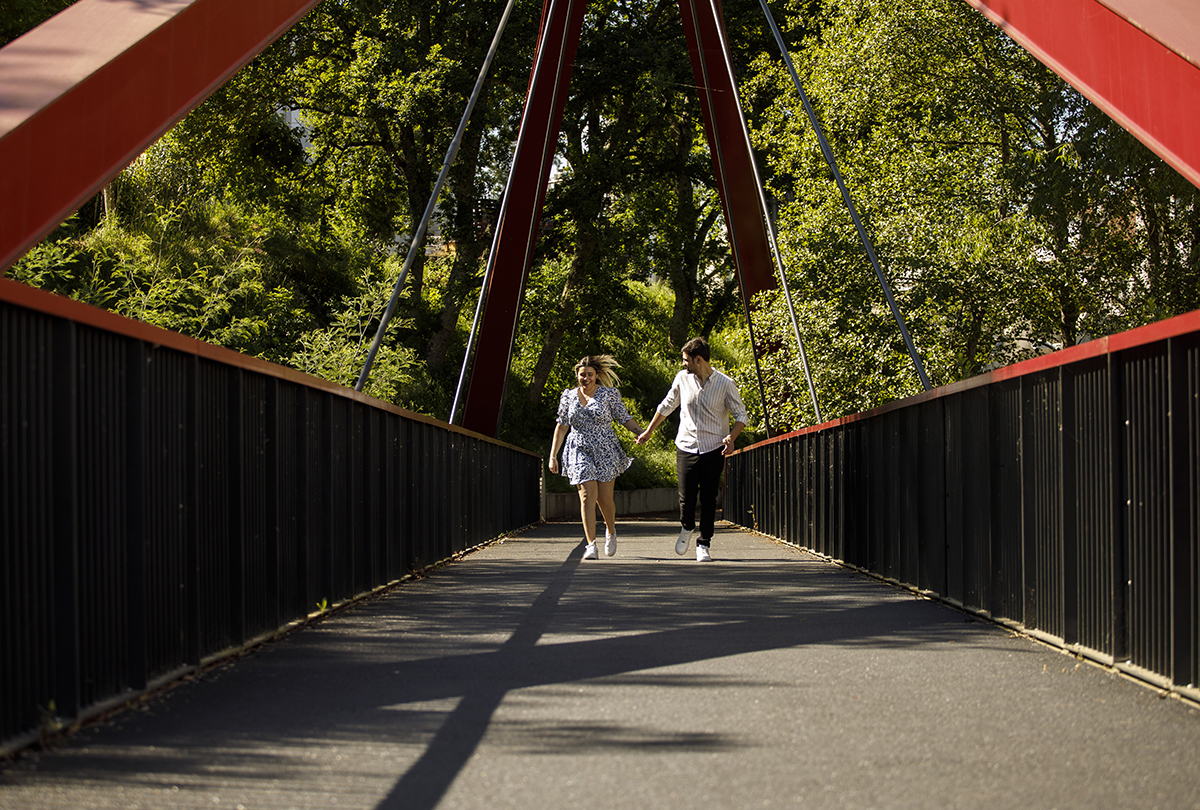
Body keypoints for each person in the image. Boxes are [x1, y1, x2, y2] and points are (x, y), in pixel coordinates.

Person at [636, 337, 747, 562]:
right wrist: (648, 432)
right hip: (686, 445)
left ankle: (704, 543)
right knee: (686, 497)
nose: (683, 364)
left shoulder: (725, 383)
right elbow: (666, 405)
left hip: (714, 448)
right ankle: (687, 528)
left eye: (686, 360)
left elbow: (741, 415)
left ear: (699, 359)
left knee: (708, 497)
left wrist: (732, 437)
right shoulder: (682, 379)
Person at [549, 355, 643, 560]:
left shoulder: (609, 395)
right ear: (577, 376)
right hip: (578, 449)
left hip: (605, 449)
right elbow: (562, 425)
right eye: (582, 375)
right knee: (586, 496)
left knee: (604, 499)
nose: (586, 378)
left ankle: (611, 531)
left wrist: (640, 432)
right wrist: (553, 455)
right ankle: (591, 544)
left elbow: (624, 418)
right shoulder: (568, 396)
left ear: (597, 375)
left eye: (590, 375)